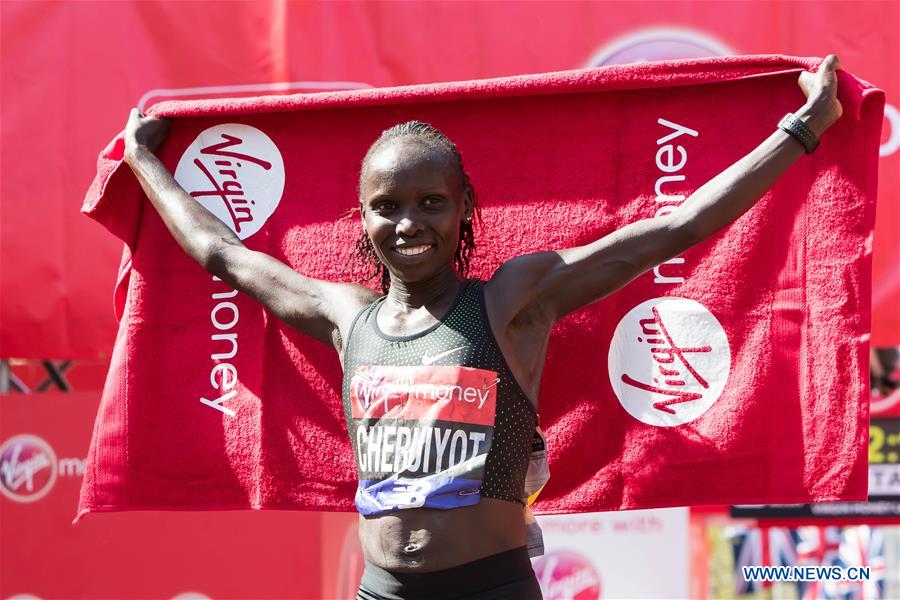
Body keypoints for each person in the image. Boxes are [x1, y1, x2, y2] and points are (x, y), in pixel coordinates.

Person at [122, 55, 843, 599]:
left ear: (464, 206)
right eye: (387, 206)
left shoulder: (512, 302)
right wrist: (144, 160)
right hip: (380, 591)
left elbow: (674, 229)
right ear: (362, 217)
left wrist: (802, 130)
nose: (409, 223)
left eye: (430, 202)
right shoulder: (347, 318)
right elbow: (223, 254)